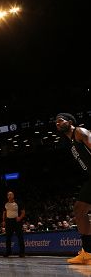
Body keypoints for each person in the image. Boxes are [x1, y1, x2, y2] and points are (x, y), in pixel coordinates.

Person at [56, 112, 91, 264]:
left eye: (60, 120)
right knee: (79, 209)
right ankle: (88, 253)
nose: (57, 123)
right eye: (55, 122)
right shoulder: (70, 141)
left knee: (79, 209)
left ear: (70, 121)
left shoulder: (80, 132)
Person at [2, 191, 25, 257]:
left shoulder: (18, 203)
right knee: (8, 238)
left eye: (11, 194)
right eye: (8, 195)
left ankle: (22, 252)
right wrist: (3, 221)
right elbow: (4, 213)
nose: (9, 196)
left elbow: (23, 212)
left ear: (13, 196)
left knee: (20, 237)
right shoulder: (5, 204)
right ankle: (8, 252)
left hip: (16, 222)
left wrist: (20, 218)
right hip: (8, 221)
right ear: (7, 196)